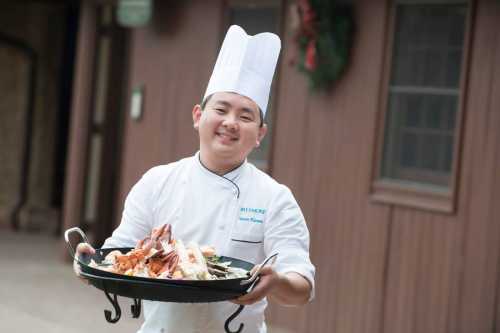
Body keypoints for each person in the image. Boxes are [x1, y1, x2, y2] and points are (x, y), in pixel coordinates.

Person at [74, 25, 315, 333]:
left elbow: (302, 285)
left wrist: (276, 281)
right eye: (221, 109)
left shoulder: (274, 197)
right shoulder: (157, 181)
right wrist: (90, 263)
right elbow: (119, 254)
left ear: (260, 134)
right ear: (198, 115)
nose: (230, 123)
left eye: (245, 116)